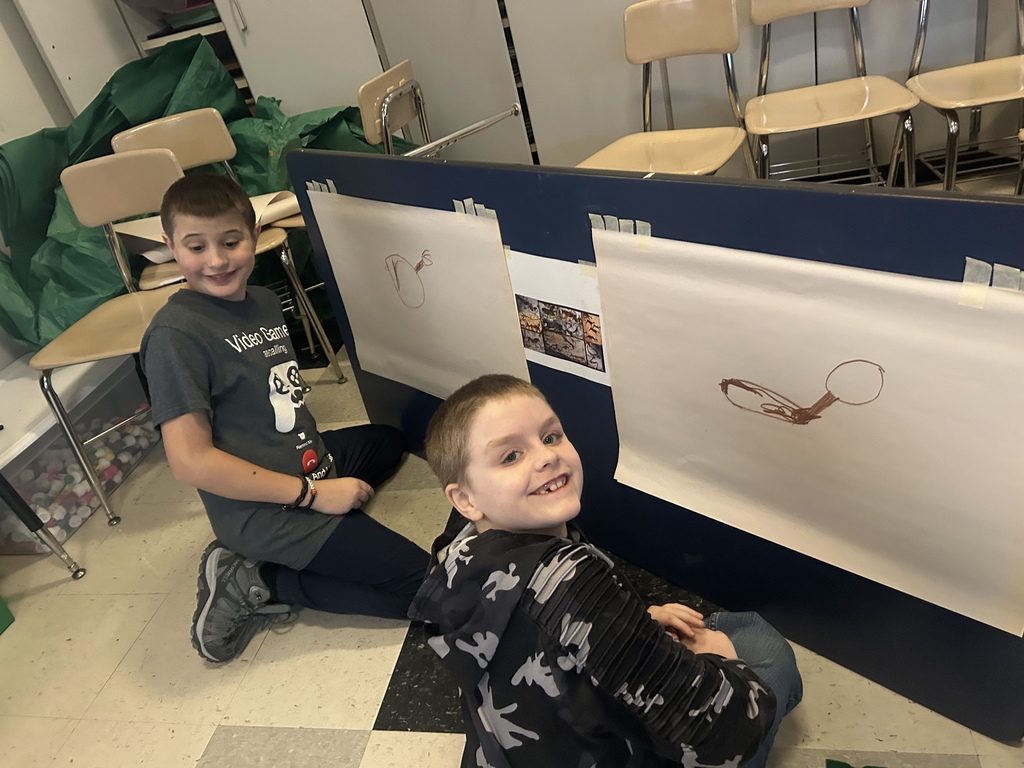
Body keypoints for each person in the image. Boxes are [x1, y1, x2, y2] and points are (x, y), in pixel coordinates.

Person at [409, 374, 802, 768]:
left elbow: (544, 633)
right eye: (511, 456)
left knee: (704, 627)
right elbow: (730, 735)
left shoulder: (456, 551)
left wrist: (635, 625)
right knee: (759, 642)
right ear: (465, 499)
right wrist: (723, 660)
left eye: (550, 436)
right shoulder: (572, 582)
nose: (546, 457)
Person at [140, 174, 429, 664]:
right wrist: (313, 496)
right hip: (266, 509)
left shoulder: (264, 301)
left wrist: (323, 480)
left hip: (308, 462)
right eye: (196, 246)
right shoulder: (175, 337)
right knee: (430, 591)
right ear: (170, 247)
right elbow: (190, 462)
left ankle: (323, 527)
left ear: (254, 235)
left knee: (389, 440)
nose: (217, 260)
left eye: (230, 241)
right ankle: (260, 579)